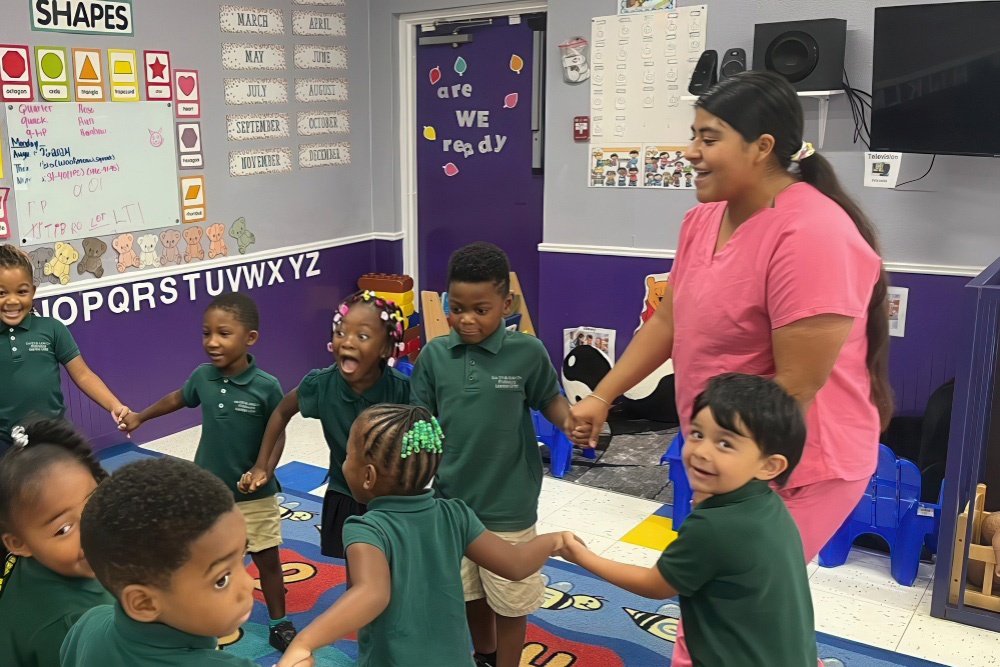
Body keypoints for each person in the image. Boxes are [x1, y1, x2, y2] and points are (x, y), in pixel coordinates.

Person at [567, 71, 890, 666]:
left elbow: (796, 385)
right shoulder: (702, 220)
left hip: (798, 462)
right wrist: (603, 395)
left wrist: (724, 464)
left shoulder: (813, 232)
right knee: (731, 602)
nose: (690, 152)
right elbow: (669, 324)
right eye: (693, 134)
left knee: (730, 606)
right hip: (726, 450)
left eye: (708, 137)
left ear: (761, 146)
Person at [277, 404, 573, 667]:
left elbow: (371, 593)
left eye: (348, 455)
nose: (344, 462)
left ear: (367, 476)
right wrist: (552, 541)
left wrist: (305, 642)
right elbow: (516, 564)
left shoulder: (365, 528)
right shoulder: (456, 513)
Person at [562, 374, 816, 666]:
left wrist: (580, 555)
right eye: (697, 434)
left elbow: (656, 586)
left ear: (769, 465)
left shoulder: (714, 527)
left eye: (725, 443)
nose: (701, 451)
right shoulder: (766, 504)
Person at [411, 242, 571, 667]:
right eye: (456, 307)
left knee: (510, 600)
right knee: (469, 593)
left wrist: (571, 421)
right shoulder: (433, 356)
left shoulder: (527, 353)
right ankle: (485, 654)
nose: (466, 319)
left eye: (480, 309)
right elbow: (420, 420)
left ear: (507, 303)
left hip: (509, 503)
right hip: (452, 502)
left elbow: (548, 399)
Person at [119, 293, 296, 650]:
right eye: (206, 333)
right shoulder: (202, 377)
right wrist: (139, 416)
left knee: (267, 560)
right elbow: (176, 398)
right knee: (203, 560)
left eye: (224, 333)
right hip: (207, 494)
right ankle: (198, 616)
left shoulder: (266, 386)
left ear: (250, 338)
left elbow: (278, 433)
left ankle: (279, 623)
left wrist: (263, 469)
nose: (212, 342)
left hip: (254, 497)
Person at [241, 290, 409, 560]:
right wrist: (263, 465)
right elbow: (281, 412)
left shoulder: (401, 389)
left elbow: (424, 436)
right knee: (355, 568)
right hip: (344, 491)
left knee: (395, 565)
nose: (347, 342)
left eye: (362, 336)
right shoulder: (320, 384)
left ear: (386, 348)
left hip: (391, 497)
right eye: (340, 333)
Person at [61, 457, 257, 666]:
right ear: (144, 603)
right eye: (221, 580)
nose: (248, 584)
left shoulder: (88, 623)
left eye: (242, 557)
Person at [0, 419, 115, 667]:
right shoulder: (71, 627)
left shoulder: (39, 560)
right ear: (18, 543)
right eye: (63, 529)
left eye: (94, 502)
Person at [0, 244, 129, 456]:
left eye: (21, 291)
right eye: (1, 292)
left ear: (32, 291)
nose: (12, 300)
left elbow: (83, 374)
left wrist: (114, 405)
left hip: (55, 436)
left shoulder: (52, 329)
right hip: (5, 442)